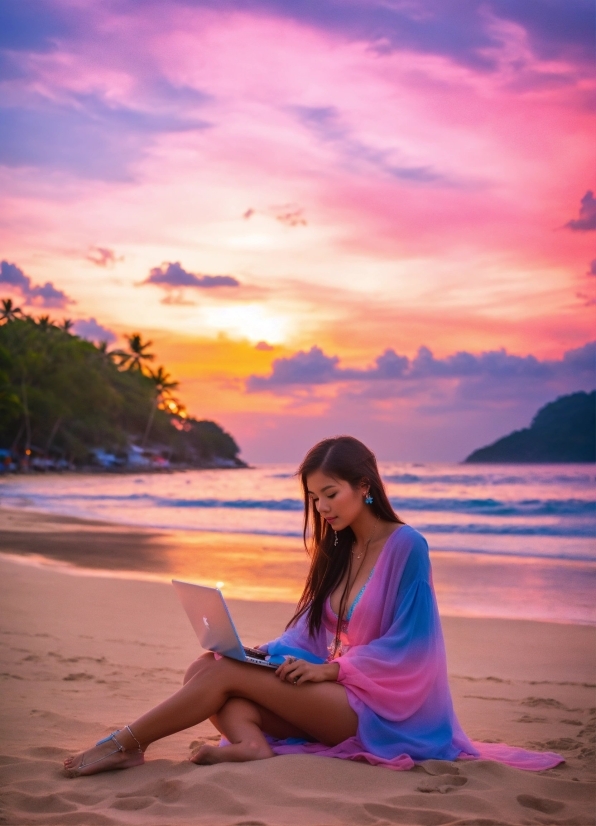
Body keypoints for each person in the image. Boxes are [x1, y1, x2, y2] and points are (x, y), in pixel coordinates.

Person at [64, 436, 562, 776]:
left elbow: (413, 647)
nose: (322, 508)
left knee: (219, 678)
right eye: (314, 497)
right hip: (340, 693)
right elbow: (308, 633)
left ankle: (126, 745)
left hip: (385, 711)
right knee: (208, 665)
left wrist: (332, 672)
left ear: (364, 488)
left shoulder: (408, 545)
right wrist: (259, 653)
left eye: (331, 494)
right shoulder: (338, 547)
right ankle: (250, 746)